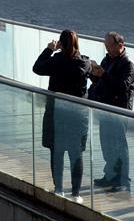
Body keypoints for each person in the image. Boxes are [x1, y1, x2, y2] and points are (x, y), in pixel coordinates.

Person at [33, 29, 93, 204]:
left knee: (56, 151)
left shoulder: (56, 61)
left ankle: (58, 189)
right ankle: (76, 193)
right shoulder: (85, 63)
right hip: (78, 114)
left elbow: (37, 68)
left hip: (56, 113)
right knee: (76, 153)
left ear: (61, 43)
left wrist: (50, 49)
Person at [88, 31, 134, 193]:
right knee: (107, 144)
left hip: (119, 110)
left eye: (109, 46)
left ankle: (123, 180)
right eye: (105, 46)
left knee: (120, 146)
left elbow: (123, 87)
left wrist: (104, 75)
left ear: (120, 45)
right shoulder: (107, 59)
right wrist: (94, 75)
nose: (107, 49)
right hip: (105, 108)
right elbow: (103, 82)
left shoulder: (128, 65)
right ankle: (110, 175)